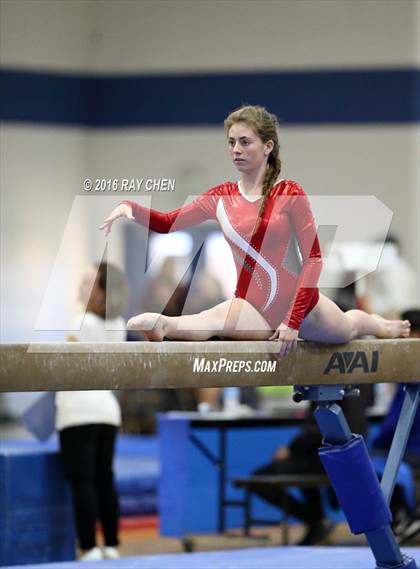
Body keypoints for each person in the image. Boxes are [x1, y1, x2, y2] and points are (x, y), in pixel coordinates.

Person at [99, 105, 410, 355]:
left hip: (297, 304)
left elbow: (314, 259)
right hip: (251, 304)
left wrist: (292, 321)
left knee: (347, 329)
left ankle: (380, 325)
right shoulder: (219, 197)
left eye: (245, 142)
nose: (236, 149)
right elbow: (167, 222)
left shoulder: (288, 193)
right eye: (231, 142)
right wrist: (129, 208)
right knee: (215, 319)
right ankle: (165, 324)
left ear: (267, 146)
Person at [56, 263, 128, 561]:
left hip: (78, 411)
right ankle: (110, 544)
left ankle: (87, 547)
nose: (80, 287)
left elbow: (67, 370)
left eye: (87, 282)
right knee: (104, 479)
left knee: (83, 481)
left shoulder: (80, 321)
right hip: (107, 411)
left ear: (101, 291)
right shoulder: (120, 323)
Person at [250, 385, 374, 545]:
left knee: (260, 479)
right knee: (301, 465)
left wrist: (291, 450)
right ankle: (317, 523)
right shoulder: (359, 380)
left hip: (328, 456)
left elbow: (318, 429)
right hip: (349, 452)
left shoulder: (329, 382)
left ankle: (315, 520)